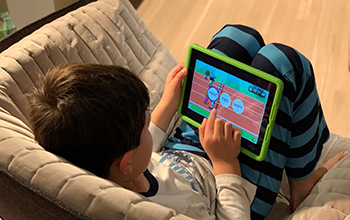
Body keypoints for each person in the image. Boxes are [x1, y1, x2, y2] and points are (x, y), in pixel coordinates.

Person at [28, 25, 347, 220]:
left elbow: (146, 154)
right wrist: (225, 162)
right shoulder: (173, 212)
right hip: (234, 180)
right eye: (144, 123)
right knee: (285, 64)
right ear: (124, 162)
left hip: (188, 150)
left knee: (235, 38)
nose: (149, 121)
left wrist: (168, 104)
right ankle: (301, 186)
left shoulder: (112, 168)